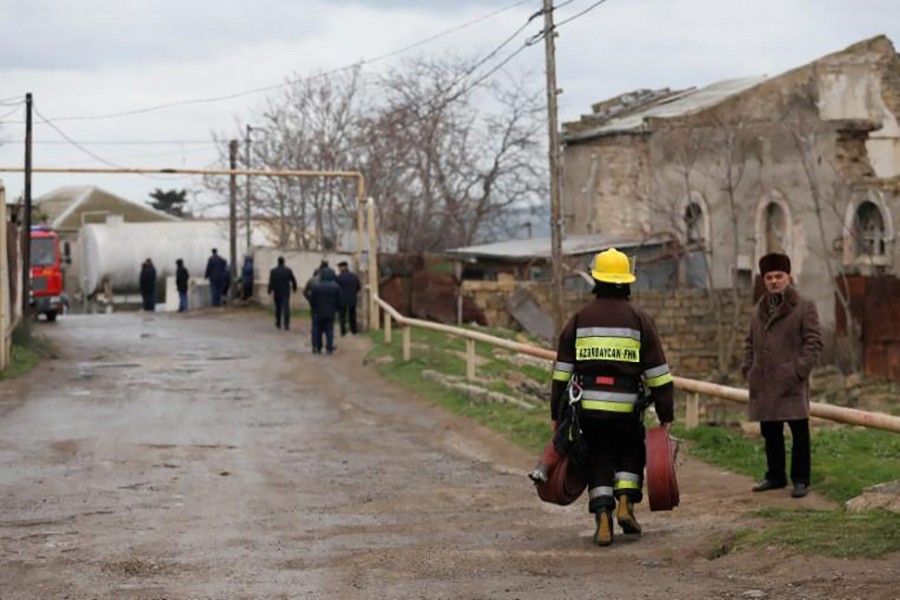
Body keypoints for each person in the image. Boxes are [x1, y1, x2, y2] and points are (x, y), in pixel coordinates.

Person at [545, 248, 674, 547]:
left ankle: (603, 517)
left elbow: (561, 373)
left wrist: (556, 413)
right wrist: (666, 414)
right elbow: (659, 375)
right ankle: (626, 502)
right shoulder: (639, 319)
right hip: (627, 407)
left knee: (598, 456)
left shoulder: (580, 319)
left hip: (588, 408)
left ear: (596, 280)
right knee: (630, 450)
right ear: (627, 281)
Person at [741, 252, 822, 499]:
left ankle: (800, 480)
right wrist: (749, 369)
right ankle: (775, 476)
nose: (774, 281)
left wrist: (799, 371)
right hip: (764, 381)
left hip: (791, 381)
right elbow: (749, 342)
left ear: (788, 277)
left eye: (779, 276)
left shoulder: (804, 306)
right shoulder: (759, 308)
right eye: (769, 277)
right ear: (764, 279)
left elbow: (813, 342)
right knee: (770, 431)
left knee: (799, 431)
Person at [309, 266, 341, 354]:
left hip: (318, 312)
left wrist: (314, 308)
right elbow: (339, 301)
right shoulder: (336, 287)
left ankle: (317, 346)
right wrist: (336, 310)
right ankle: (329, 347)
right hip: (330, 312)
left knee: (317, 330)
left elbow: (312, 300)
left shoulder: (316, 287)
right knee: (329, 330)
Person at [267, 256, 298, 331]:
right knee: (286, 308)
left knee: (278, 308)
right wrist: (294, 288)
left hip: (277, 292)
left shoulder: (273, 271)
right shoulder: (288, 270)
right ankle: (286, 324)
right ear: (284, 262)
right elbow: (293, 280)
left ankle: (278, 323)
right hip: (285, 292)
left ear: (278, 262)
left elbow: (271, 282)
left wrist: (269, 290)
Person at [335, 261, 361, 336]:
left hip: (342, 299)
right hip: (352, 299)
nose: (339, 269)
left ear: (343, 267)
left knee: (342, 316)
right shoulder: (354, 276)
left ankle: (343, 331)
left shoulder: (339, 277)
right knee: (352, 315)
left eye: (339, 267)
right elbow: (358, 287)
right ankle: (354, 330)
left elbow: (336, 288)